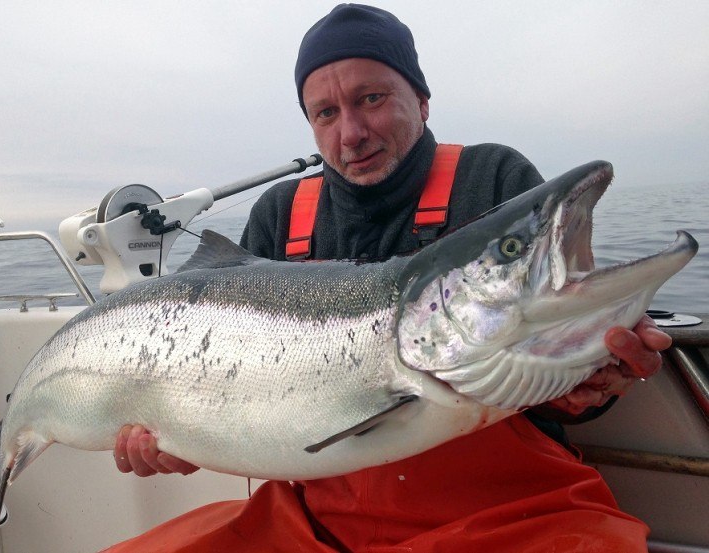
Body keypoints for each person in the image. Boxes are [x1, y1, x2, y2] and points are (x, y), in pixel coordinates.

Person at [106, 4, 671, 552]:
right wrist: (179, 436)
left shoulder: (494, 179)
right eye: (325, 113)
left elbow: (547, 359)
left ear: (422, 102)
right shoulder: (279, 216)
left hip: (506, 517)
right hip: (315, 520)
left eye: (371, 98)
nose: (351, 132)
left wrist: (589, 381)